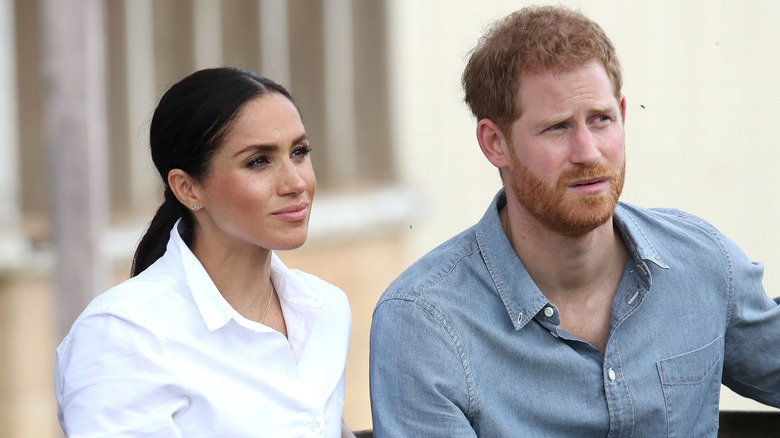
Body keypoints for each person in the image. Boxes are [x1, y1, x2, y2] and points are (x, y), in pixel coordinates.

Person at [369, 5, 780, 437]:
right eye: (558, 127)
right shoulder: (425, 325)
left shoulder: (703, 264)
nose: (588, 152)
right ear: (495, 144)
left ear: (623, 113)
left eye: (601, 120)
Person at [55, 67, 355, 437]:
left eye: (299, 152)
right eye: (258, 161)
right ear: (188, 188)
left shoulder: (326, 309)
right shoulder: (124, 334)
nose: (296, 182)